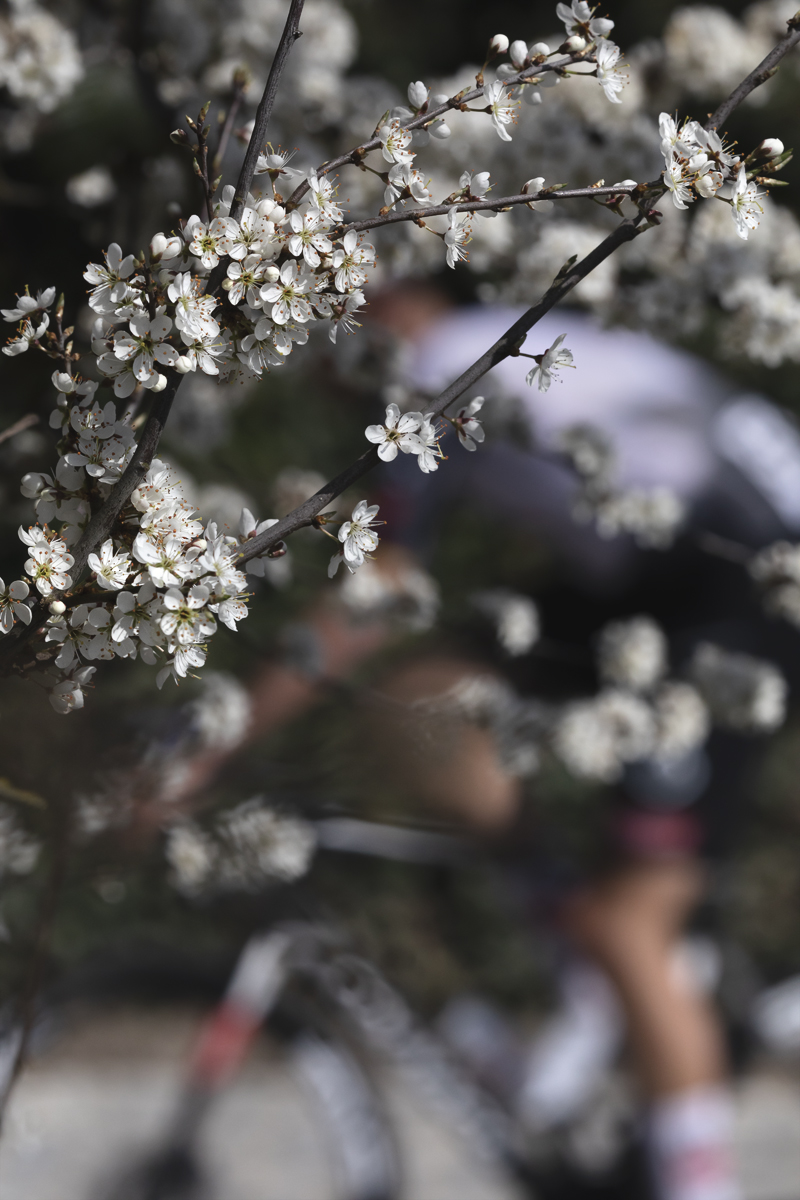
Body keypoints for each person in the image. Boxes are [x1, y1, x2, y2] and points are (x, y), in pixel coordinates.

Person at [164, 282, 800, 1200]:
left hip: (739, 581)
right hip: (646, 577)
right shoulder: (489, 348)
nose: (311, 375)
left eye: (316, 341)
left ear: (382, 308)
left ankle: (696, 1179)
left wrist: (210, 744)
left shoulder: (440, 369)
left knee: (634, 918)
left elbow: (376, 591)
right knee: (419, 703)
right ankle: (572, 946)